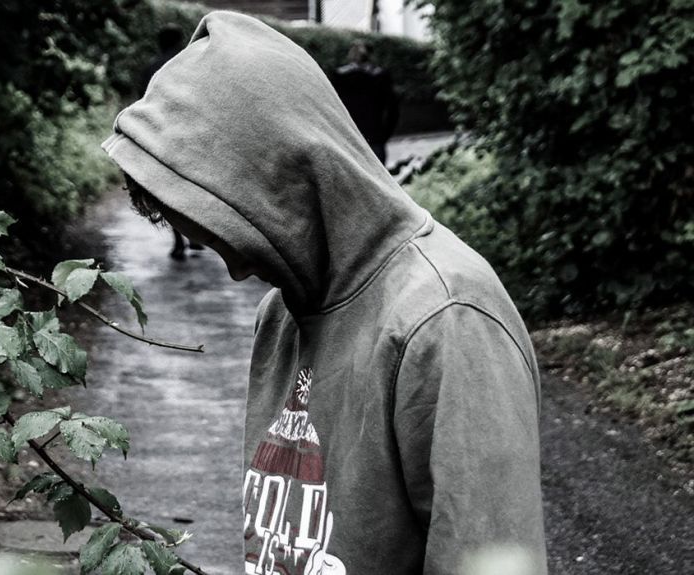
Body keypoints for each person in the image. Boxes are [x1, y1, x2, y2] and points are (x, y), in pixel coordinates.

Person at [104, 12, 546, 575]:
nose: (236, 270)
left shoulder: (447, 319)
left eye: (231, 233)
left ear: (290, 177)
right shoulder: (283, 311)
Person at [138, 25, 204, 260]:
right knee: (192, 187)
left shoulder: (150, 68)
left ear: (160, 42)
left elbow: (141, 104)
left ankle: (178, 241)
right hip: (190, 134)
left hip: (162, 135)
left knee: (168, 190)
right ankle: (195, 235)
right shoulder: (192, 64)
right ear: (180, 41)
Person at [330, 41, 400, 164]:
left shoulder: (339, 76)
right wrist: (384, 135)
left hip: (348, 137)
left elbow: (332, 108)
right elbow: (393, 110)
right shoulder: (381, 76)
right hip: (374, 136)